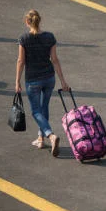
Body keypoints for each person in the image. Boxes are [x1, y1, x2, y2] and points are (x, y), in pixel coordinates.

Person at [14, 9, 69, 156]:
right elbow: (55, 60)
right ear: (40, 21)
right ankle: (40, 138)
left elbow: (21, 61)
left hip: (33, 80)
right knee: (44, 107)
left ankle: (50, 136)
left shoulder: (24, 39)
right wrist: (63, 81)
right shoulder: (49, 37)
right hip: (49, 78)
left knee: (36, 111)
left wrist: (17, 81)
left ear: (27, 22)